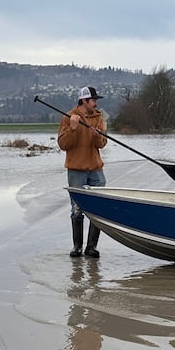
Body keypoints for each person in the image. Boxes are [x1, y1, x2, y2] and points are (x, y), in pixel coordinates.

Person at [56, 85, 108, 258]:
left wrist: (96, 135)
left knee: (99, 209)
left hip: (96, 171)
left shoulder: (100, 117)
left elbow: (102, 143)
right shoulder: (67, 118)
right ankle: (77, 247)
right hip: (76, 170)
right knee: (77, 210)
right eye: (93, 100)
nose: (95, 103)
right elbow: (63, 145)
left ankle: (91, 247)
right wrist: (72, 128)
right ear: (84, 100)